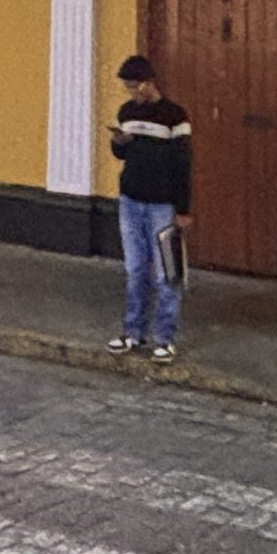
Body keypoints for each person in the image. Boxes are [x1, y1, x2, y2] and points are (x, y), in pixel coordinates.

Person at [106, 54, 191, 361]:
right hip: (130, 200)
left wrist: (183, 209)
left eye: (134, 86)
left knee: (167, 273)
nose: (131, 93)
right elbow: (119, 154)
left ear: (148, 83)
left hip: (162, 205)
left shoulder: (175, 116)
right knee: (135, 269)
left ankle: (165, 338)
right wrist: (119, 143)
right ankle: (133, 332)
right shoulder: (127, 112)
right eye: (128, 87)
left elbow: (183, 163)